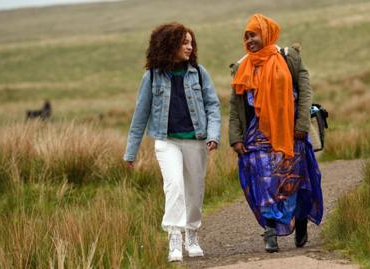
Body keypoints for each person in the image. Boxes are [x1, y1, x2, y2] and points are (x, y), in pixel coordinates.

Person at [123, 23, 221, 262]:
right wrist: (131, 152)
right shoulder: (153, 76)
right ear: (169, 45)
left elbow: (213, 106)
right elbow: (140, 114)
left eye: (190, 42)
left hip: (196, 140)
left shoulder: (198, 72)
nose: (189, 47)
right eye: (183, 42)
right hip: (167, 141)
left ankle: (192, 234)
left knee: (194, 191)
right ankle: (174, 238)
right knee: (174, 186)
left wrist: (213, 135)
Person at [229, 14, 323, 253]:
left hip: (291, 133)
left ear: (267, 33)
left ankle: (300, 221)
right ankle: (270, 230)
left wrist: (302, 125)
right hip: (256, 136)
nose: (249, 40)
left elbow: (305, 92)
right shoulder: (242, 67)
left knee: (293, 181)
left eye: (254, 35)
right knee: (264, 182)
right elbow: (236, 107)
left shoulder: (289, 57)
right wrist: (236, 137)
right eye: (246, 36)